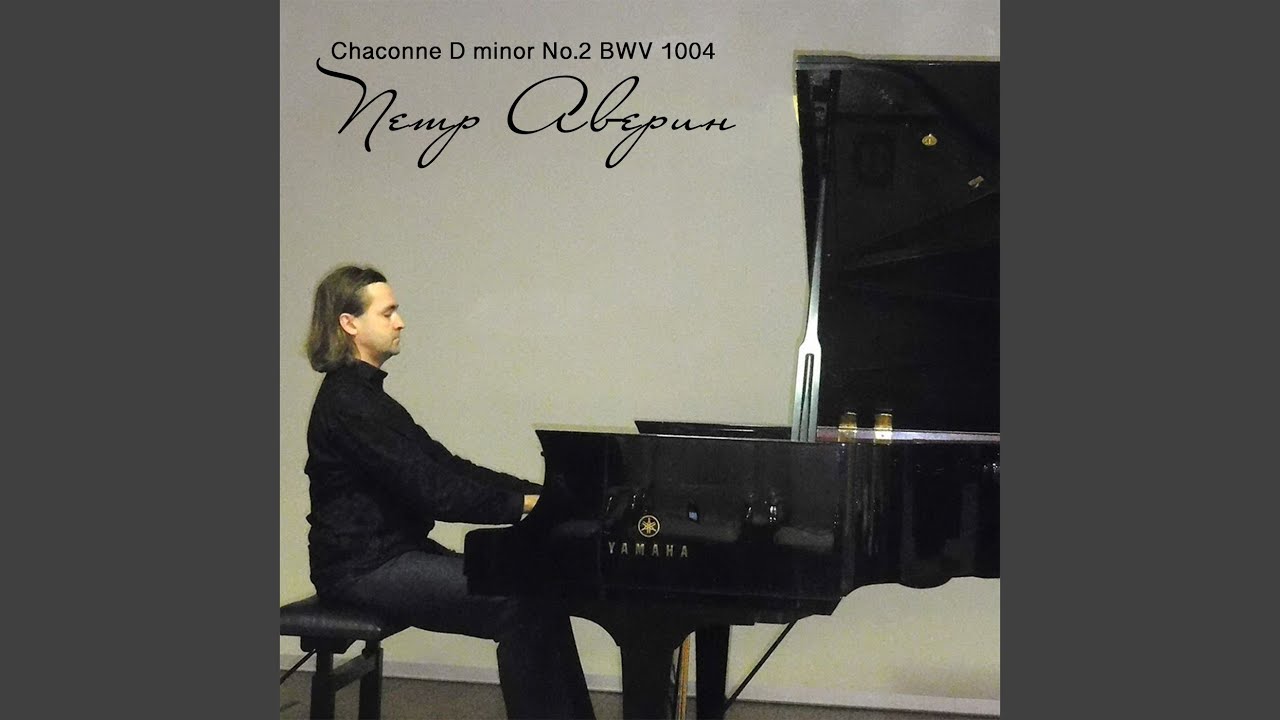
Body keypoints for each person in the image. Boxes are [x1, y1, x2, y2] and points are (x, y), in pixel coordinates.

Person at [302, 264, 595, 720]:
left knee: (539, 588)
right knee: (519, 600)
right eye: (387, 313)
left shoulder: (370, 400)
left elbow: (446, 466)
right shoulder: (349, 404)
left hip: (392, 555)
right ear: (349, 323)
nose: (400, 322)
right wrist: (526, 505)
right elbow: (435, 492)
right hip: (361, 568)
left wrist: (540, 493)